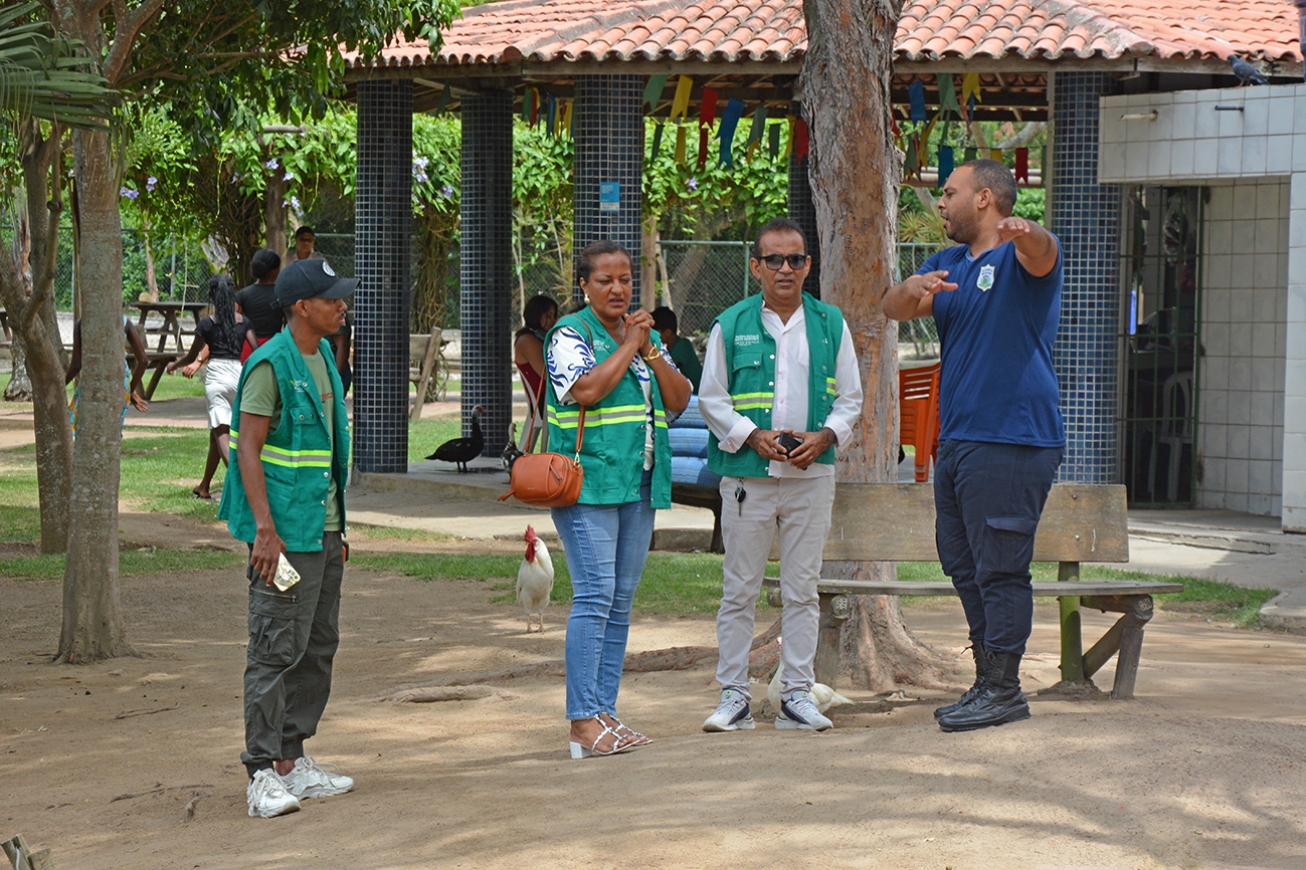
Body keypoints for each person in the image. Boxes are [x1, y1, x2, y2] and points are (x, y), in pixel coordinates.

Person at [881, 159, 1064, 733]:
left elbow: (1044, 251)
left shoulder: (1019, 256)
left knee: (1002, 567)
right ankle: (988, 680)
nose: (940, 202)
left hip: (1011, 436)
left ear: (984, 198)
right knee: (963, 562)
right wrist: (909, 289)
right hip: (958, 439)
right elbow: (893, 307)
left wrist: (1028, 232)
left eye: (949, 192)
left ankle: (1003, 689)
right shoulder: (949, 264)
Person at [699, 217, 863, 734]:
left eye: (795, 259)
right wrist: (751, 434)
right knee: (739, 589)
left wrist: (826, 437)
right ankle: (734, 696)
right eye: (774, 259)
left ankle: (796, 694)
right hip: (749, 476)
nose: (785, 268)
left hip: (810, 477)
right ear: (756, 266)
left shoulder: (831, 323)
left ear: (808, 265)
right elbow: (712, 399)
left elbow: (851, 400)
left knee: (802, 590)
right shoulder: (731, 323)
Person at [218, 257, 356, 818]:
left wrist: (339, 528)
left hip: (321, 528)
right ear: (302, 306)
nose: (342, 305)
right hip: (282, 534)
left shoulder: (322, 353)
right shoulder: (269, 364)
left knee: (317, 646)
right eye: (332, 298)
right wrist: (265, 532)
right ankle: (260, 771)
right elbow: (246, 447)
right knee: (275, 648)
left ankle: (291, 762)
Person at [545, 240, 691, 758]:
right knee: (594, 597)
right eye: (605, 280)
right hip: (589, 486)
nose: (618, 288)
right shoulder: (569, 334)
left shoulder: (641, 336)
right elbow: (585, 391)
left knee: (620, 603)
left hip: (639, 482)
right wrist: (631, 344)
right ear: (583, 286)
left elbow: (679, 399)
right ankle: (582, 721)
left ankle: (605, 712)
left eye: (626, 278)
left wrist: (648, 348)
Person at [168, 275, 257, 500]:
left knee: (221, 434)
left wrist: (175, 364)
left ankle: (240, 483)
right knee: (215, 434)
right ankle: (204, 486)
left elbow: (191, 355)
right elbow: (256, 350)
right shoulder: (244, 322)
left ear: (211, 295)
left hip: (216, 377)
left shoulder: (207, 323)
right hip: (238, 375)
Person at [66, 316, 150, 435]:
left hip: (94, 380)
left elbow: (76, 365)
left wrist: (60, 385)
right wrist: (130, 390)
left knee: (85, 429)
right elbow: (143, 361)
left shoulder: (82, 323)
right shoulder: (124, 321)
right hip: (121, 382)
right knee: (112, 432)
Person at [513, 294, 559, 451]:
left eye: (554, 316)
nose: (553, 321)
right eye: (549, 316)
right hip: (544, 401)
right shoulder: (527, 340)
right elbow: (547, 375)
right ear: (537, 315)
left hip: (547, 399)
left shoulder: (538, 338)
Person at [235, 249, 284, 363]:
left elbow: (231, 321)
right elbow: (289, 324)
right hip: (274, 347)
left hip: (248, 349)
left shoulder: (243, 294)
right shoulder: (282, 294)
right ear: (275, 271)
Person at [651, 306, 703, 393]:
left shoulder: (682, 345)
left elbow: (667, 370)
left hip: (697, 392)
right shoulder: (669, 348)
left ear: (667, 332)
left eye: (656, 332)